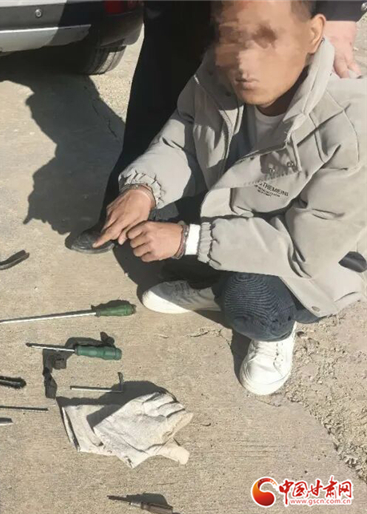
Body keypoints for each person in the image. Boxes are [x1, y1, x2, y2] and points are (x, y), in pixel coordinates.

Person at [95, 0, 366, 395]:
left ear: (312, 34)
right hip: (238, 214)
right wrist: (144, 188)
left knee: (247, 290)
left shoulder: (352, 127)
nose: (244, 61)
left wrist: (188, 240)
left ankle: (274, 330)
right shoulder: (215, 71)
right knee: (150, 215)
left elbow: (302, 251)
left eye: (268, 37)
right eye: (231, 35)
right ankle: (213, 287)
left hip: (312, 267)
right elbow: (185, 136)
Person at [67, 0, 365, 253]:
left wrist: (342, 9)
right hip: (182, 13)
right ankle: (124, 215)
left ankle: (224, 251)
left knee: (274, 138)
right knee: (171, 114)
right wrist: (142, 188)